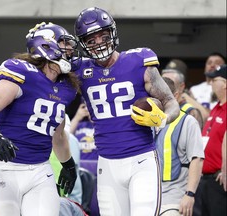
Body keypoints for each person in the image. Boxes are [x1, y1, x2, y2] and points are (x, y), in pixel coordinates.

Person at [74, 7, 180, 216]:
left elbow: (170, 101)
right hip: (106, 161)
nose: (99, 43)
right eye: (91, 40)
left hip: (141, 158)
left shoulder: (138, 61)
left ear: (113, 33)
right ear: (82, 44)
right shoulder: (79, 69)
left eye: (103, 36)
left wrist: (164, 118)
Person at [0, 33, 80, 216]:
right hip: (4, 167)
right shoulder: (22, 72)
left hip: (41, 169)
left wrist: (68, 164)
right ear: (47, 45)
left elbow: (59, 135)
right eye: (64, 43)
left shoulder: (66, 87)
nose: (69, 49)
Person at [156, 77, 204, 216]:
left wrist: (189, 194)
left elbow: (197, 159)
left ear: (175, 96)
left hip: (174, 197)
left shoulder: (188, 122)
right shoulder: (147, 121)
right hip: (148, 197)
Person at [194, 64, 227, 216]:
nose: (211, 82)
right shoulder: (216, 108)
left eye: (215, 79)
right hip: (205, 179)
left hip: (219, 179)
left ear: (225, 83)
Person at [188, 52, 226, 122]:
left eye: (217, 63)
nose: (212, 65)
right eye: (209, 63)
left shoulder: (224, 89)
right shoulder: (194, 89)